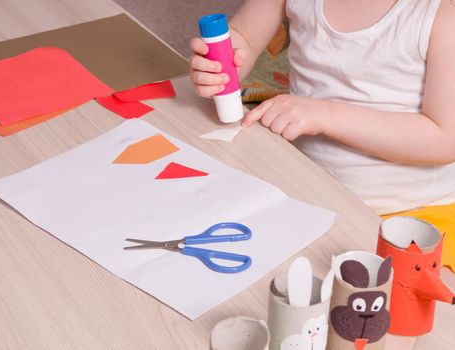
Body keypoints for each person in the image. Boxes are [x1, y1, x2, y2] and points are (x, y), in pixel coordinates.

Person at [189, 0, 455, 271]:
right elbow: (244, 35)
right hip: (310, 191)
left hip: (412, 215)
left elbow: (444, 138)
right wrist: (219, 67)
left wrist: (326, 116)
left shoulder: (444, 12)